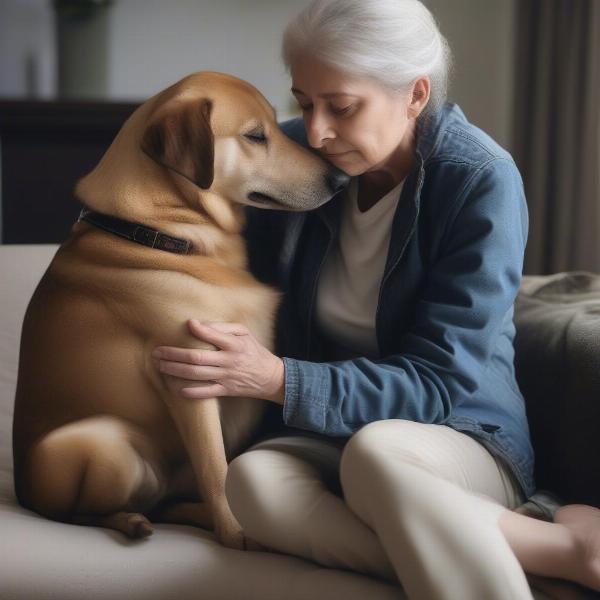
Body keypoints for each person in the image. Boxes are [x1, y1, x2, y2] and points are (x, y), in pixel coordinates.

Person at [152, 1, 600, 597]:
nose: (315, 131)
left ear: (415, 95)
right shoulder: (293, 159)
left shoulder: (479, 179)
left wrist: (279, 380)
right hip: (330, 436)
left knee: (376, 454)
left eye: (341, 107)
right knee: (252, 482)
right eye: (304, 103)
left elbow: (440, 385)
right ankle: (554, 549)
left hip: (456, 436)